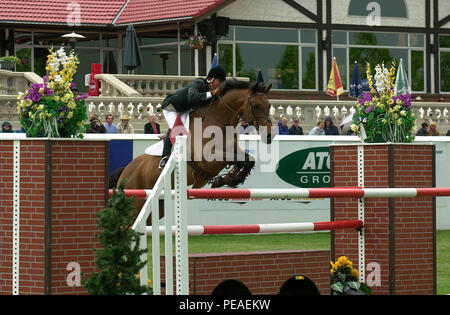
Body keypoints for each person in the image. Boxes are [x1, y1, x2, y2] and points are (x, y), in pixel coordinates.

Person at [158, 66, 227, 169]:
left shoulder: (214, 91)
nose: (221, 84)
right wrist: (212, 93)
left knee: (187, 128)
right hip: (171, 107)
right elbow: (192, 97)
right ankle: (164, 157)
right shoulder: (199, 83)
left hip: (185, 109)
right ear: (211, 79)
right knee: (177, 128)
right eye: (220, 81)